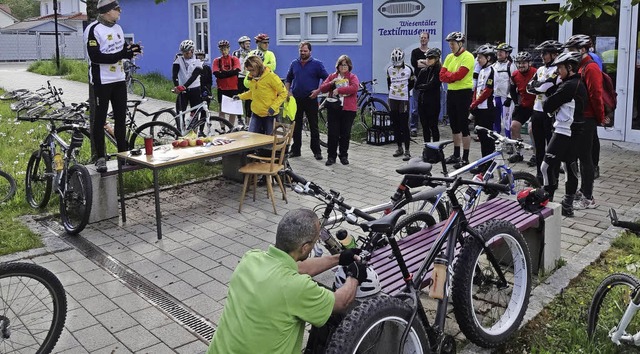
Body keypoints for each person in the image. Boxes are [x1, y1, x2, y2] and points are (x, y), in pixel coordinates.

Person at [207, 209, 363, 354]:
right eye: (315, 242)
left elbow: (299, 267)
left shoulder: (251, 258)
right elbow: (341, 302)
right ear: (305, 247)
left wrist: (339, 258)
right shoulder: (297, 287)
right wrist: (354, 275)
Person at [84, 0, 141, 172]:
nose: (120, 12)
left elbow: (122, 50)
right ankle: (100, 157)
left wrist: (132, 51)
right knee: (100, 120)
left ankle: (122, 155)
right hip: (102, 81)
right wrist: (123, 53)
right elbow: (96, 57)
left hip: (118, 79)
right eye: (117, 9)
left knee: (120, 119)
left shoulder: (118, 28)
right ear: (107, 11)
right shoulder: (93, 29)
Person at [541, 51, 587, 216]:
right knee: (569, 166)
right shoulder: (577, 83)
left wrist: (550, 93)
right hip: (575, 130)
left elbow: (547, 106)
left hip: (564, 131)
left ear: (570, 67)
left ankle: (546, 200)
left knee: (546, 166)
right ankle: (567, 204)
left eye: (560, 68)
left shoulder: (569, 86)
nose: (558, 71)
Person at [563, 34, 606, 210]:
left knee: (585, 158)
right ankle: (582, 190)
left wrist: (600, 117)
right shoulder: (579, 66)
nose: (570, 53)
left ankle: (588, 197)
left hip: (587, 118)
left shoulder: (590, 67)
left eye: (572, 50)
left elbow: (596, 95)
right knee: (576, 155)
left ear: (582, 50)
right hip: (577, 117)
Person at [526, 40, 563, 184]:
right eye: (542, 53)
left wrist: (539, 87)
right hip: (536, 111)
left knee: (551, 147)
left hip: (550, 113)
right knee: (539, 146)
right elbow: (529, 87)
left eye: (545, 53)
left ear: (554, 54)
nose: (542, 56)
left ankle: (553, 176)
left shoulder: (558, 70)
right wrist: (539, 86)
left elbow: (545, 86)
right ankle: (539, 176)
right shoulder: (540, 69)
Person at [285, 41, 328, 160]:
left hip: (311, 98)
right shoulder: (294, 63)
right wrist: (288, 91)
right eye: (301, 51)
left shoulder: (317, 64)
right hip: (296, 99)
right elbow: (288, 79)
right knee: (296, 125)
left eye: (305, 51)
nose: (303, 53)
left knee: (313, 126)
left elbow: (327, 79)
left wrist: (318, 91)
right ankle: (296, 150)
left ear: (310, 51)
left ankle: (316, 151)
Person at [439, 31, 475, 169]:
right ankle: (456, 154)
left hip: (464, 93)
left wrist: (450, 76)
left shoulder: (468, 57)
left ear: (460, 43)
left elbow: (459, 75)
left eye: (453, 44)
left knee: (463, 126)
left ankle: (465, 158)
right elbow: (442, 76)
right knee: (454, 125)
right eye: (450, 44)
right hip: (452, 93)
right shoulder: (449, 57)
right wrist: (450, 75)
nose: (451, 46)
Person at [318, 55, 359, 166]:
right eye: (341, 64)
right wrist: (332, 83)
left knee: (345, 134)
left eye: (345, 64)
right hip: (334, 108)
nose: (343, 67)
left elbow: (354, 88)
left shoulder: (352, 77)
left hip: (348, 109)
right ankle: (331, 157)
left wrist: (339, 90)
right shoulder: (332, 76)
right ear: (338, 66)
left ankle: (343, 155)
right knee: (333, 134)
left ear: (349, 66)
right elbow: (322, 88)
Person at [234, 55, 286, 135]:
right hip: (256, 113)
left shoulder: (271, 76)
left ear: (258, 67)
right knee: (251, 138)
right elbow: (253, 93)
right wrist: (240, 97)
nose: (250, 73)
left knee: (269, 141)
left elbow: (283, 93)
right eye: (249, 71)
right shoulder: (251, 77)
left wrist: (273, 107)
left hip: (270, 114)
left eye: (252, 70)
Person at [470, 44, 497, 168]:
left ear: (489, 58)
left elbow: (487, 91)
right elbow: (477, 89)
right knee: (481, 136)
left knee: (487, 139)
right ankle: (483, 163)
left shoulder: (492, 70)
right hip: (480, 108)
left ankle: (489, 164)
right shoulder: (481, 71)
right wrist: (473, 102)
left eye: (480, 57)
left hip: (488, 108)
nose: (478, 59)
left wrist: (475, 102)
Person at [508, 51, 537, 163]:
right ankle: (518, 153)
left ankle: (536, 154)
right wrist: (516, 102)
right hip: (523, 105)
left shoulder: (536, 72)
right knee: (514, 127)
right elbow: (512, 89)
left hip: (535, 106)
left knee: (531, 129)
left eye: (523, 63)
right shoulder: (515, 75)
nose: (521, 65)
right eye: (519, 63)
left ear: (529, 63)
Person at [387, 48, 415, 161]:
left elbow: (412, 83)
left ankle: (407, 150)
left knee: (404, 125)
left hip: (403, 99)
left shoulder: (409, 69)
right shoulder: (389, 69)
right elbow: (388, 83)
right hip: (392, 99)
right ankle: (399, 148)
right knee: (395, 124)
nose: (396, 63)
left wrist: (404, 91)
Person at [173, 39, 203, 130]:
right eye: (183, 52)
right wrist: (177, 86)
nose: (185, 54)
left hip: (195, 88)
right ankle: (180, 130)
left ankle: (193, 131)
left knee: (195, 112)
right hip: (183, 90)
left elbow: (194, 75)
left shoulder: (198, 59)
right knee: (180, 111)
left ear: (192, 51)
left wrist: (184, 86)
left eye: (187, 53)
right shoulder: (178, 58)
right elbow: (174, 74)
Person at [415, 47, 442, 144]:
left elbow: (434, 85)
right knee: (425, 127)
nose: (428, 60)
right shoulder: (423, 71)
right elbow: (416, 86)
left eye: (430, 58)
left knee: (433, 126)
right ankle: (427, 148)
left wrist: (425, 86)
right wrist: (426, 86)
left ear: (437, 59)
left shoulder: (439, 70)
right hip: (422, 102)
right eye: (427, 58)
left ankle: (436, 149)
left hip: (433, 103)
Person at [213, 39, 241, 127]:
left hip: (233, 87)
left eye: (225, 49)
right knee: (222, 109)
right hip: (222, 88)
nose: (223, 51)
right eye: (221, 49)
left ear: (229, 49)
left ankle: (231, 127)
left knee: (232, 110)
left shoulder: (234, 59)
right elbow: (217, 74)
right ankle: (222, 127)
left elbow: (236, 71)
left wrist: (223, 73)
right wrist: (229, 73)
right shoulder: (217, 61)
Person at [492, 42, 517, 137]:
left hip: (505, 98)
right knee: (495, 120)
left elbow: (514, 84)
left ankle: (509, 142)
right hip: (495, 97)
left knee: (507, 121)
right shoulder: (494, 66)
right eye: (498, 51)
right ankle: (496, 140)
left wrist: (510, 97)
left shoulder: (510, 66)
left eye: (501, 52)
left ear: (507, 54)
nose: (499, 53)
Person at [410, 31, 430, 137]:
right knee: (415, 107)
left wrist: (422, 62)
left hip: (428, 82)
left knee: (428, 106)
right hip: (417, 82)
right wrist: (426, 63)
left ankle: (428, 127)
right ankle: (413, 127)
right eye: (422, 38)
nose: (423, 39)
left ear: (428, 39)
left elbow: (433, 64)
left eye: (425, 38)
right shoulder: (415, 52)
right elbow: (415, 64)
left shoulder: (431, 52)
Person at [233, 35, 252, 123]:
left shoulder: (252, 53)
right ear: (241, 44)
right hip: (239, 77)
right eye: (246, 43)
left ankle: (248, 118)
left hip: (248, 78)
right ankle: (239, 118)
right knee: (239, 98)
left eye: (249, 43)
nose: (248, 45)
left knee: (249, 99)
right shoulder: (236, 54)